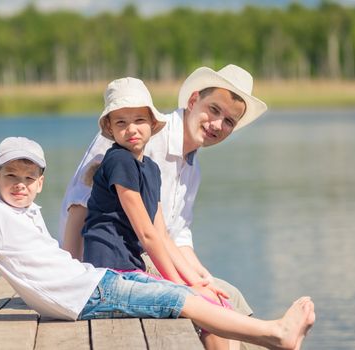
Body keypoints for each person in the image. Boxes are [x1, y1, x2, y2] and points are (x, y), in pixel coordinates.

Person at [0, 136, 315, 350]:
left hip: (92, 281)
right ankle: (275, 333)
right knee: (180, 300)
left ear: (41, 183)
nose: (19, 185)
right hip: (86, 296)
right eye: (10, 176)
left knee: (186, 292)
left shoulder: (22, 213)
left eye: (28, 177)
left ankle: (268, 335)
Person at [61, 64, 268, 349]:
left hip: (148, 259)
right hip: (110, 265)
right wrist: (69, 279)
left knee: (226, 295)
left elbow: (177, 235)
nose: (217, 125)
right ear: (193, 101)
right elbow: (79, 205)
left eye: (229, 122)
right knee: (215, 304)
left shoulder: (190, 169)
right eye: (214, 110)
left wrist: (202, 278)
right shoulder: (134, 131)